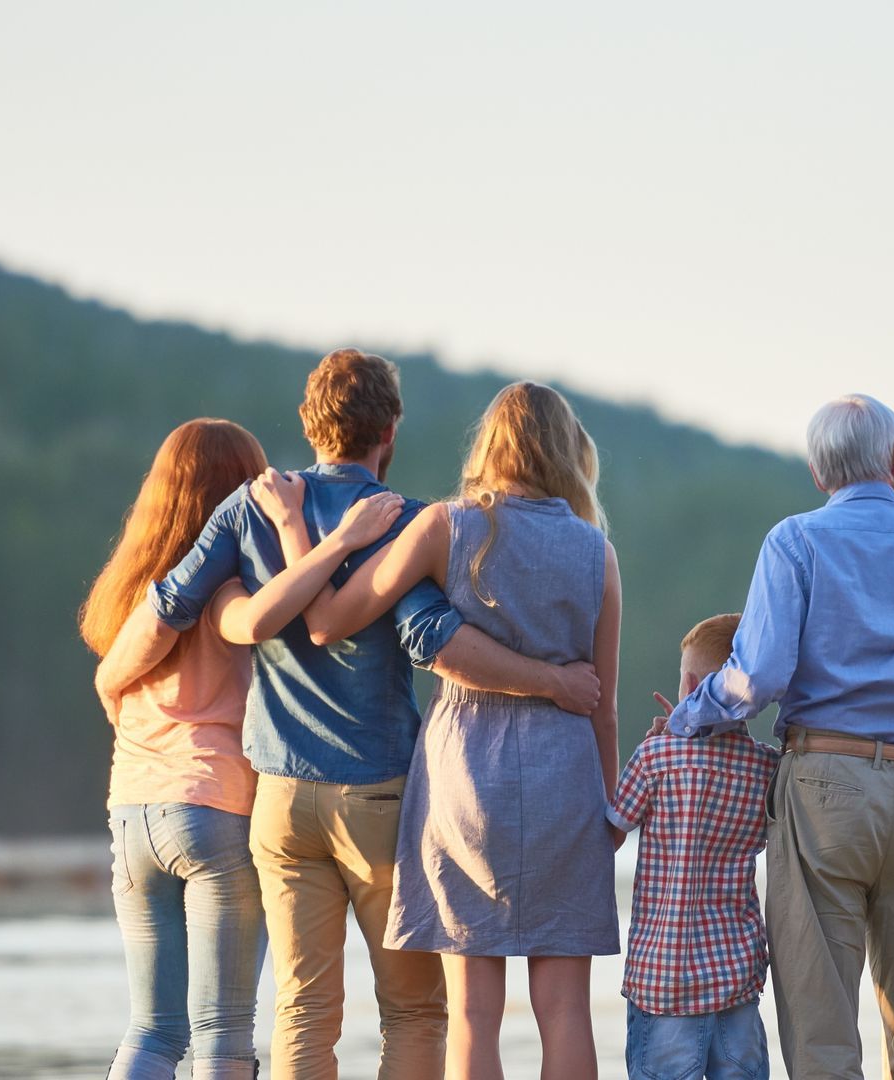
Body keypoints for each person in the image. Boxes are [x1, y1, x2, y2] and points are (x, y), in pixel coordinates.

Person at [95, 351, 602, 1080]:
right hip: (378, 793)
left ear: (309, 424)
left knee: (301, 1010)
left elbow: (172, 603)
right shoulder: (407, 522)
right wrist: (551, 680)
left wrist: (112, 677)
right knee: (416, 1011)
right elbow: (434, 638)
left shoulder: (253, 508)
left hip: (277, 797)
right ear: (389, 431)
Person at [256, 380, 621, 1080]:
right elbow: (600, 701)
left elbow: (329, 620)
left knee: (473, 1016)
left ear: (489, 445)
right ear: (567, 452)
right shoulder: (595, 552)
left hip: (465, 778)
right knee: (566, 1010)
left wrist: (307, 532)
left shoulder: (445, 527)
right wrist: (609, 803)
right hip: (565, 774)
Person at [659, 393, 894, 1079]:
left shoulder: (795, 541)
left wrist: (685, 718)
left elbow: (757, 677)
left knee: (822, 1033)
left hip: (825, 787)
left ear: (819, 473)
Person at [84, 418, 409, 1079]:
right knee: (223, 1034)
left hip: (132, 815)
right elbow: (263, 622)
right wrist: (342, 540)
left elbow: (108, 676)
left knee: (151, 1029)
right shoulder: (225, 589)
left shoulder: (132, 591)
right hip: (215, 809)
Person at [608, 613, 780, 1080]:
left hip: (664, 980)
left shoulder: (656, 757)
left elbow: (613, 830)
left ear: (687, 684)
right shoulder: (768, 769)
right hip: (737, 977)